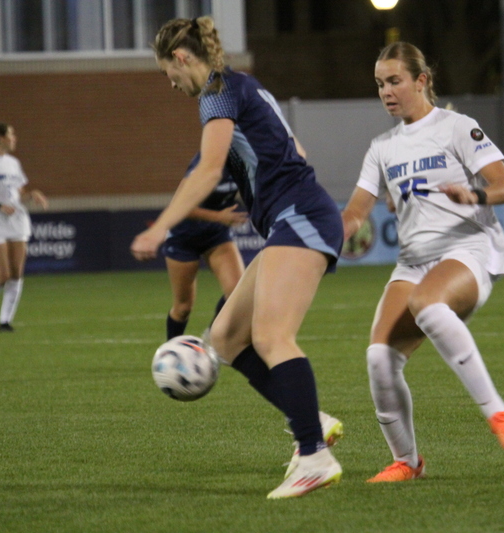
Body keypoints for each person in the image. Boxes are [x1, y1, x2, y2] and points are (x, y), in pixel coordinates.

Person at [130, 16, 343, 499]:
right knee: (224, 338)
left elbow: (206, 171)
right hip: (291, 218)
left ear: (183, 58)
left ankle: (313, 456)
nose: (171, 84)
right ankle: (311, 421)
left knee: (271, 336)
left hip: (301, 216)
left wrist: (160, 227)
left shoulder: (217, 91)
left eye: (168, 72)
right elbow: (297, 152)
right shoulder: (243, 88)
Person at [341, 42, 504, 484]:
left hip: (468, 249)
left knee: (428, 304)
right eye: (379, 84)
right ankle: (407, 462)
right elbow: (355, 212)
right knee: (379, 357)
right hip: (413, 262)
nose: (386, 92)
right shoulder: (381, 147)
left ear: (421, 80)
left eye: (394, 81)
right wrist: (335, 228)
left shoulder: (457, 127)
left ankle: (498, 413)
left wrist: (474, 194)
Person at [0, 123, 48, 332]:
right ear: (1, 138)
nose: (14, 139)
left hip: (17, 219)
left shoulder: (13, 163)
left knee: (16, 273)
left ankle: (5, 322)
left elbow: (19, 193)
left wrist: (31, 195)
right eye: (11, 135)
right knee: (2, 275)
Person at [163, 152, 247, 340]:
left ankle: (209, 343)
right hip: (184, 237)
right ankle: (171, 354)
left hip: (216, 235)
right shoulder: (205, 163)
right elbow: (179, 206)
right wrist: (219, 217)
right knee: (183, 308)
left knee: (236, 292)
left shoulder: (243, 161)